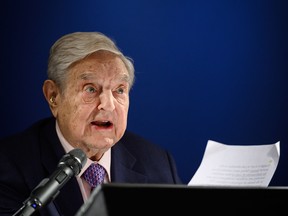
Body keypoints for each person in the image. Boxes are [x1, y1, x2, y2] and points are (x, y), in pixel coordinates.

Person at [0, 31, 183, 216]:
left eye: (119, 90)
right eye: (91, 89)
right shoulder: (9, 167)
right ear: (53, 96)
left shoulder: (158, 163)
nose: (108, 105)